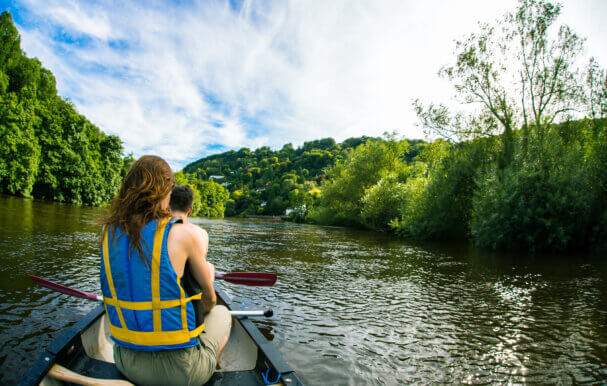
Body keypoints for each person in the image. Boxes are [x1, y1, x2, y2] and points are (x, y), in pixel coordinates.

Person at [100, 155, 231, 386]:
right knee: (222, 314)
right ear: (165, 191)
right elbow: (209, 301)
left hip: (125, 362)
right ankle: (210, 367)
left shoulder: (108, 232)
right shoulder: (183, 234)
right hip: (180, 374)